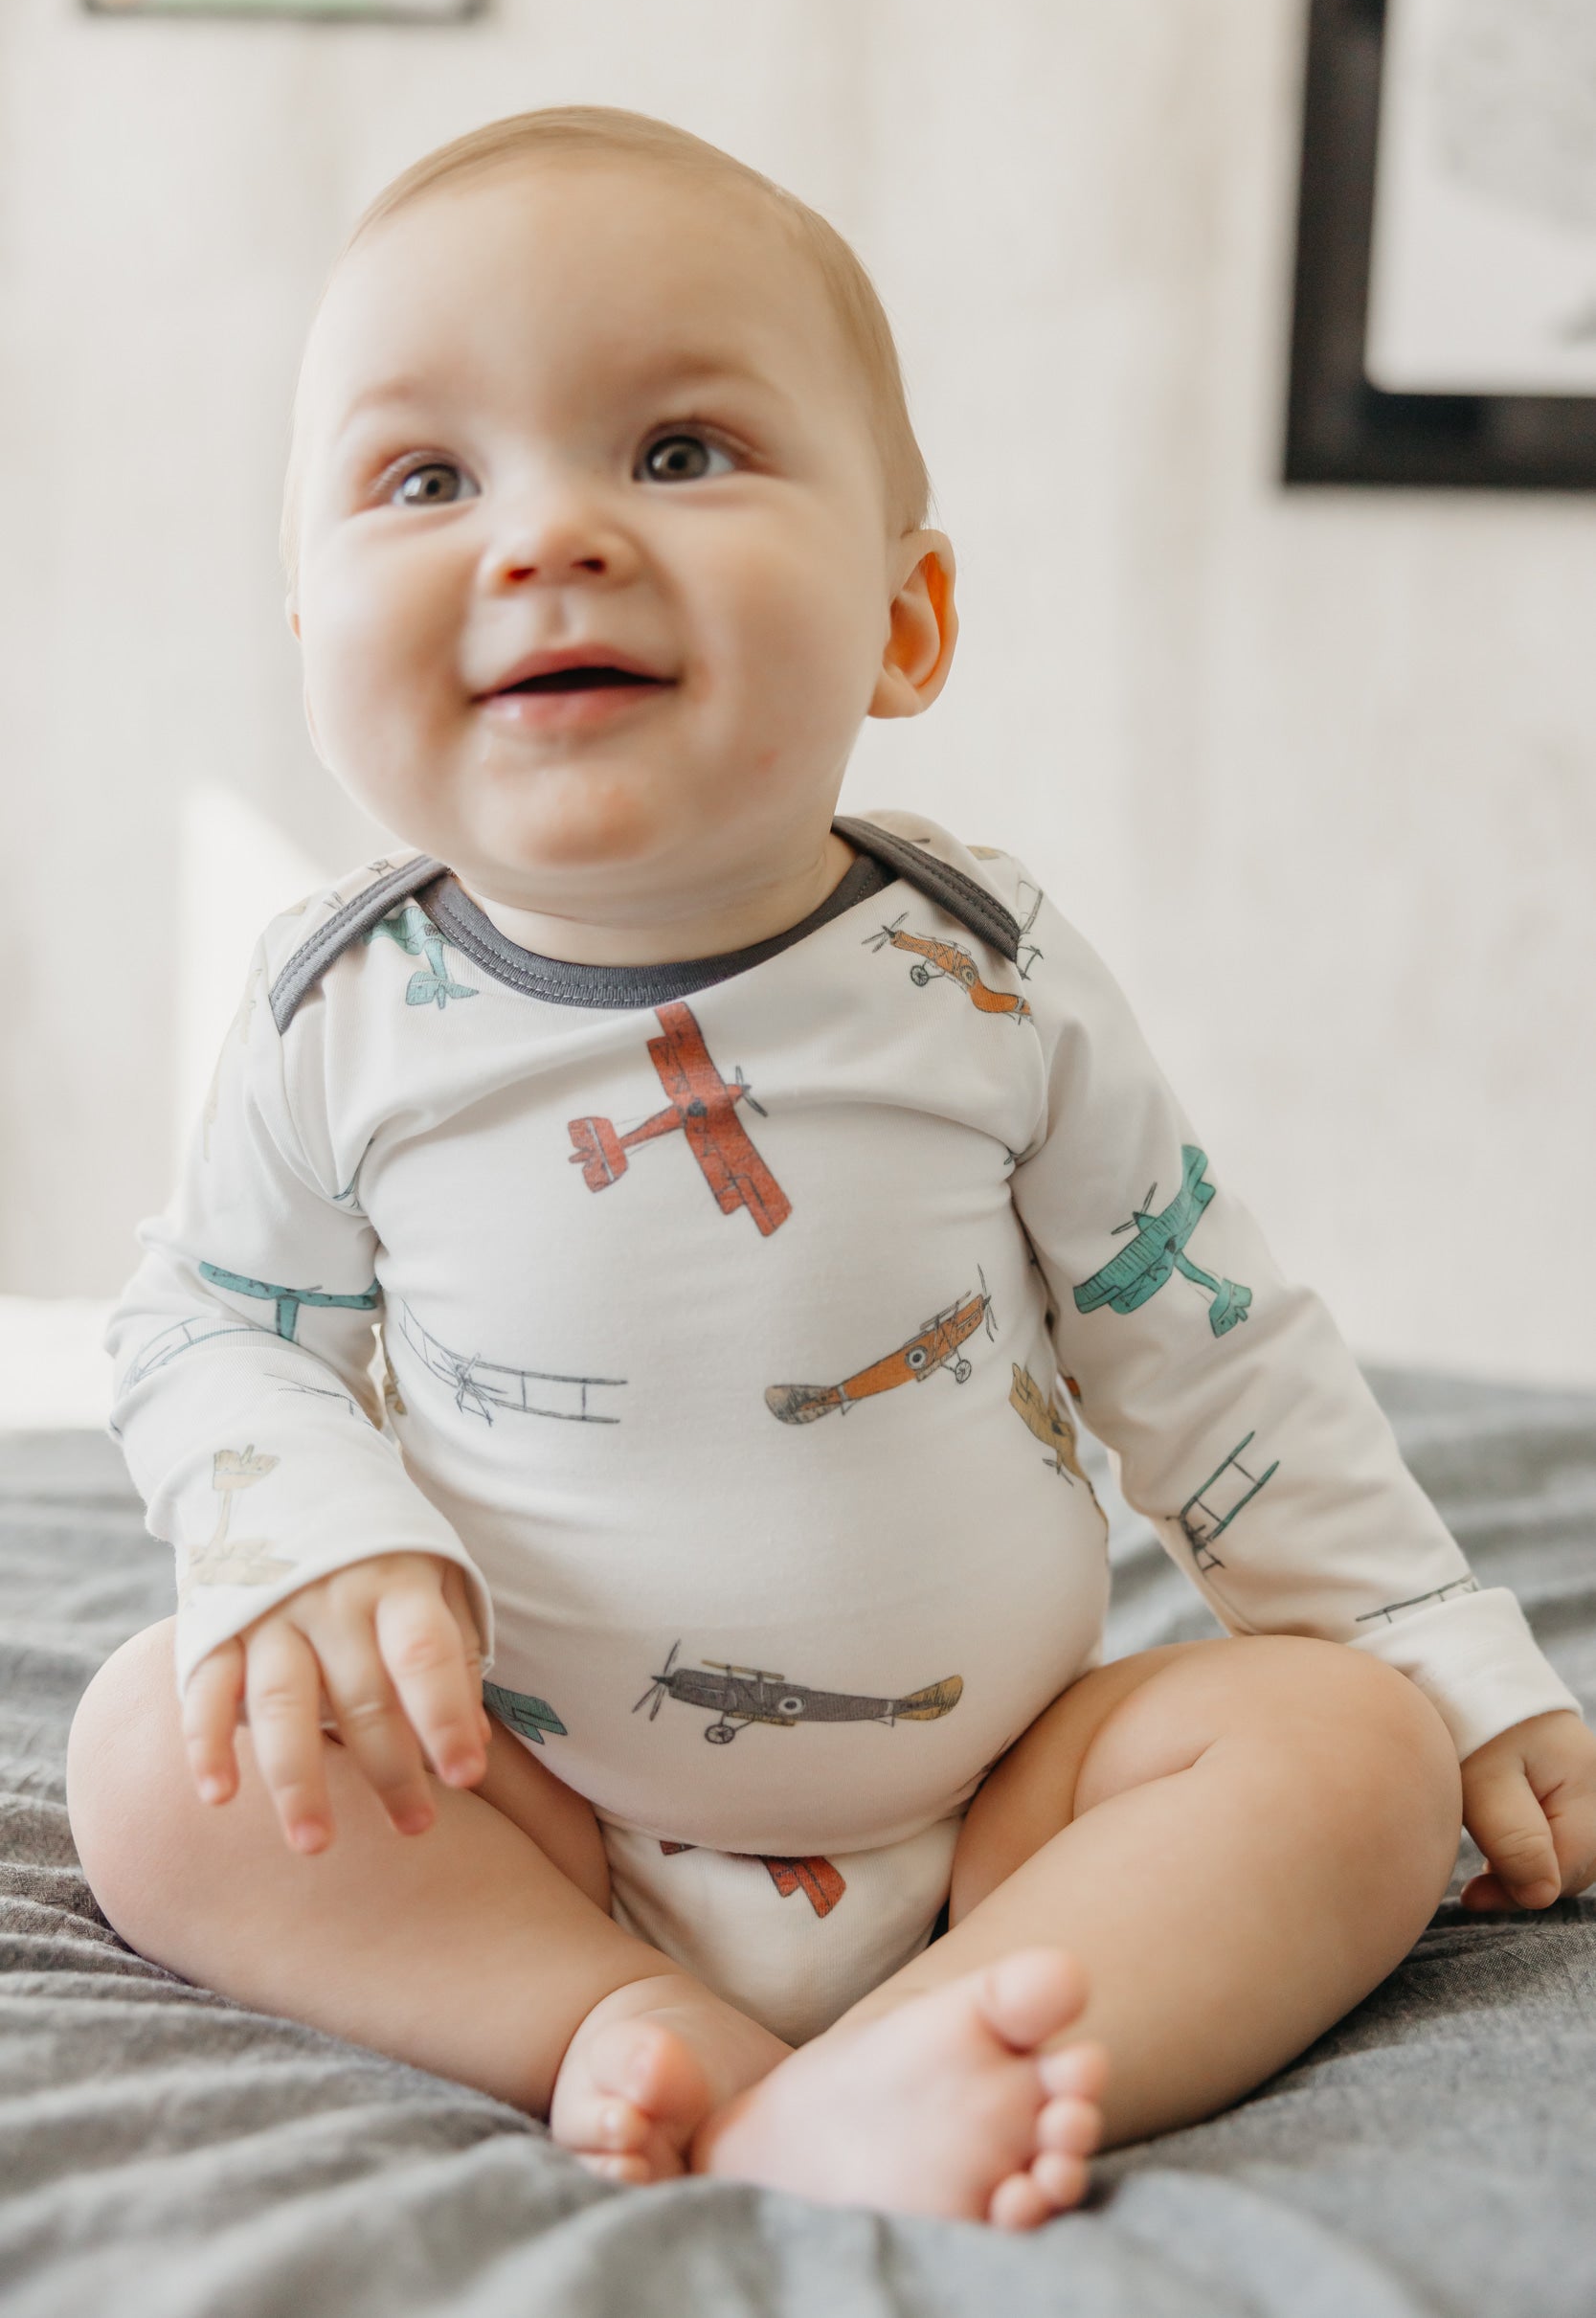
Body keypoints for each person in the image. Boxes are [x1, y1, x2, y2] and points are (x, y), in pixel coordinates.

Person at [66, 107, 1596, 2231]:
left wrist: (1430, 1640)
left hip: (1002, 1807)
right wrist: (306, 1536)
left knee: (1353, 1758)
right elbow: (204, 1334)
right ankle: (614, 2020)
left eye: (678, 449)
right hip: (531, 1805)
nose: (548, 534)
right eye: (427, 479)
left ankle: (927, 2043)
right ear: (308, 622)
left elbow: (1208, 1341)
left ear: (907, 616)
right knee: (158, 1749)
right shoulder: (339, 1009)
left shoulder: (981, 970)